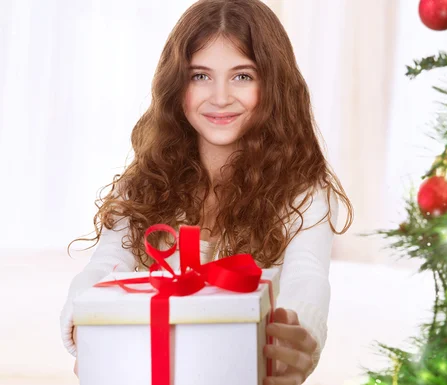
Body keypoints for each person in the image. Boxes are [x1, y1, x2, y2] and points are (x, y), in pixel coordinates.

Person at [59, 0, 353, 384]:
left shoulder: (302, 191)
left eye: (242, 76)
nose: (219, 97)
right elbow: (106, 262)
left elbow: (307, 278)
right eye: (200, 76)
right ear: (176, 84)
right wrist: (84, 316)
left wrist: (299, 337)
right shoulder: (143, 182)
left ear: (273, 84)